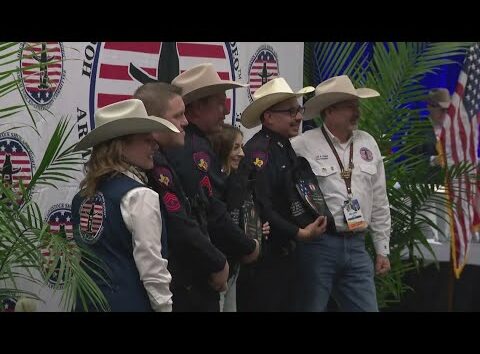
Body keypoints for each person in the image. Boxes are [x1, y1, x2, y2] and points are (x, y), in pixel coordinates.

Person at [291, 75, 391, 312]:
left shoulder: (368, 143)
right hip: (319, 245)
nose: (356, 112)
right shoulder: (302, 144)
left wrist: (382, 249)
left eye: (356, 105)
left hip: (357, 244)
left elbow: (379, 200)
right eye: (349, 107)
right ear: (329, 111)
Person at [71, 99, 178, 312]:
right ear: (122, 146)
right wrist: (165, 308)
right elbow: (152, 269)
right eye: (147, 140)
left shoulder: (82, 197)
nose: (155, 146)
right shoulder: (139, 195)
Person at [133, 82, 229, 312]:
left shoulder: (165, 158)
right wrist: (218, 262)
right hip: (180, 283)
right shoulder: (155, 166)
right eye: (177, 116)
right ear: (154, 122)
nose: (185, 122)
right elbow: (180, 225)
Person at [237, 77, 330, 312]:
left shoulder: (284, 146)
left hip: (287, 256)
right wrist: (299, 232)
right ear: (268, 117)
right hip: (267, 260)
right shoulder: (261, 153)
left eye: (298, 109)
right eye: (290, 112)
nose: (298, 117)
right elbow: (261, 206)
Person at [164, 63, 260, 279]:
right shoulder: (196, 149)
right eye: (220, 104)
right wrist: (248, 246)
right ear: (197, 107)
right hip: (194, 270)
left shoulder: (185, 144)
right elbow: (211, 213)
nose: (226, 110)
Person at [209, 123, 270, 312]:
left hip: (234, 265)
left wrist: (257, 227)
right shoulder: (213, 186)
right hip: (217, 268)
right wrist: (250, 244)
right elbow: (221, 224)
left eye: (241, 146)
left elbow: (240, 218)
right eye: (236, 147)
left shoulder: (237, 181)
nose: (242, 153)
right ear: (222, 148)